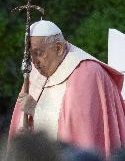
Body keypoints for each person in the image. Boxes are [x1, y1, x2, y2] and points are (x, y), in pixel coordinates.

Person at [9, 19, 125, 157]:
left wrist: (35, 110)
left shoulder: (86, 73)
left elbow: (79, 132)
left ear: (58, 48)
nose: (34, 61)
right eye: (30, 54)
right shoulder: (35, 72)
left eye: (39, 53)